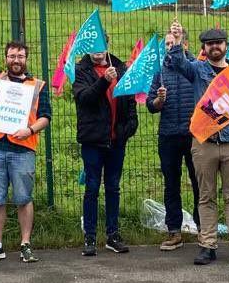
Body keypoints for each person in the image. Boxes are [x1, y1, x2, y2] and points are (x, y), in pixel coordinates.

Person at [164, 23, 229, 266]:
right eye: (210, 44)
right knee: (206, 196)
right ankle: (207, 246)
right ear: (204, 47)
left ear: (225, 46)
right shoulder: (197, 70)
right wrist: (178, 41)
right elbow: (178, 64)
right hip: (204, 143)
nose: (214, 47)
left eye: (218, 43)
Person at [0, 6, 51, 266]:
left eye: (20, 55)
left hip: (23, 149)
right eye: (11, 55)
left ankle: (25, 244)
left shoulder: (37, 86)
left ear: (26, 58)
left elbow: (46, 117)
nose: (16, 59)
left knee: (23, 198)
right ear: (6, 58)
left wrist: (28, 130)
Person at [72, 46, 139, 257]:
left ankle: (113, 235)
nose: (97, 51)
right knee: (92, 187)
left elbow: (129, 102)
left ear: (107, 47)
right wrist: (104, 81)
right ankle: (90, 236)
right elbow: (84, 98)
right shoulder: (80, 70)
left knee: (113, 187)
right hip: (93, 141)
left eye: (101, 46)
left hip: (116, 141)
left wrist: (127, 129)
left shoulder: (121, 68)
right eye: (92, 47)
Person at [147, 57, 198, 251]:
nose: (169, 47)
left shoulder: (195, 68)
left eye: (172, 43)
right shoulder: (160, 72)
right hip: (168, 135)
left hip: (194, 135)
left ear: (183, 44)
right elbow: (151, 106)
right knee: (171, 184)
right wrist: (159, 100)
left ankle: (203, 229)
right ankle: (174, 231)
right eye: (167, 44)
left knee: (199, 182)